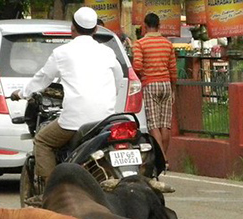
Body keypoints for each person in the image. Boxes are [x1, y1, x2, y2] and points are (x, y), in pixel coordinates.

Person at [11, 7, 122, 187]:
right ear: (95, 30)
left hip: (75, 120)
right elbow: (118, 79)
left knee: (42, 141)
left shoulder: (62, 53)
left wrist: (22, 93)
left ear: (72, 29)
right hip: (105, 120)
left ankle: (51, 191)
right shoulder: (107, 52)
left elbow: (42, 79)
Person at [132, 13, 176, 166]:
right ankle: (164, 158)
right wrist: (173, 88)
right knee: (165, 124)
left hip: (150, 84)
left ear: (144, 26)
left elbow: (137, 66)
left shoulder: (139, 44)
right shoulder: (167, 44)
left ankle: (161, 158)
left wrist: (143, 76)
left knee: (153, 125)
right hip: (166, 84)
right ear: (159, 25)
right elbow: (173, 69)